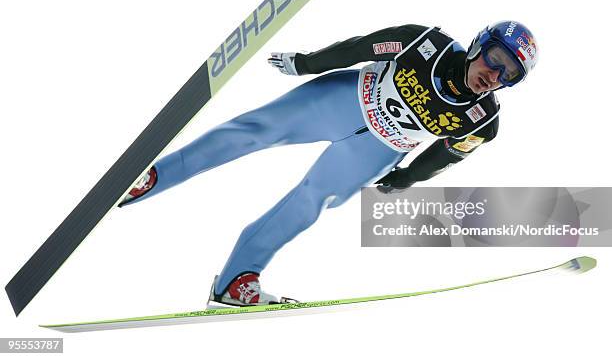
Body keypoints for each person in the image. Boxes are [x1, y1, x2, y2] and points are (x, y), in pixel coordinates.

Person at [120, 20, 539, 306]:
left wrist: (406, 179)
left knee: (310, 203)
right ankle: (152, 177)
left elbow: (444, 155)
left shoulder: (483, 122)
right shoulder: (423, 43)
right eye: (495, 59)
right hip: (343, 101)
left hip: (379, 149)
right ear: (479, 45)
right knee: (253, 131)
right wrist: (307, 63)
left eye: (509, 76)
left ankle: (235, 281)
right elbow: (362, 47)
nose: (494, 75)